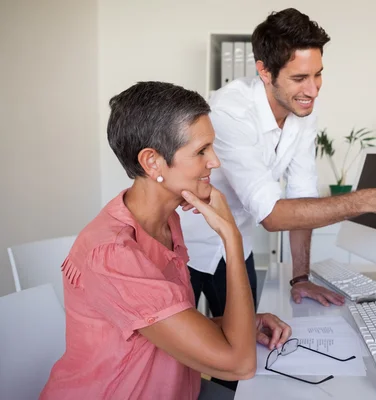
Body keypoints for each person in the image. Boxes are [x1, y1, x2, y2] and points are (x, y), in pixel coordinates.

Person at [179, 8, 376, 315]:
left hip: (234, 246)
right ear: (264, 72)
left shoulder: (302, 111)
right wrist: (370, 199)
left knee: (245, 350)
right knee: (178, 357)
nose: (313, 89)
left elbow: (301, 198)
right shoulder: (230, 112)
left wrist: (300, 278)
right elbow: (273, 216)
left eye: (318, 74)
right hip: (186, 247)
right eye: (300, 78)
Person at [40, 82, 291, 400]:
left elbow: (164, 322)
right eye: (201, 151)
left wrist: (238, 324)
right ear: (152, 162)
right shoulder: (114, 254)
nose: (215, 161)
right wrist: (231, 236)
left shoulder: (168, 220)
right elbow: (239, 364)